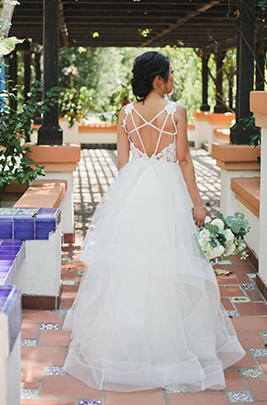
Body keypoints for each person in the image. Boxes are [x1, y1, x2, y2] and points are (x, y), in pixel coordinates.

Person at [63, 51, 245, 392]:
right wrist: (198, 205)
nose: (173, 79)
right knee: (172, 262)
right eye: (171, 74)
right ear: (158, 79)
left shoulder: (126, 113)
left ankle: (130, 341)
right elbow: (185, 160)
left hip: (135, 191)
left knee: (131, 266)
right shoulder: (175, 111)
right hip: (168, 191)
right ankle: (169, 341)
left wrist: (131, 195)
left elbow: (122, 163)